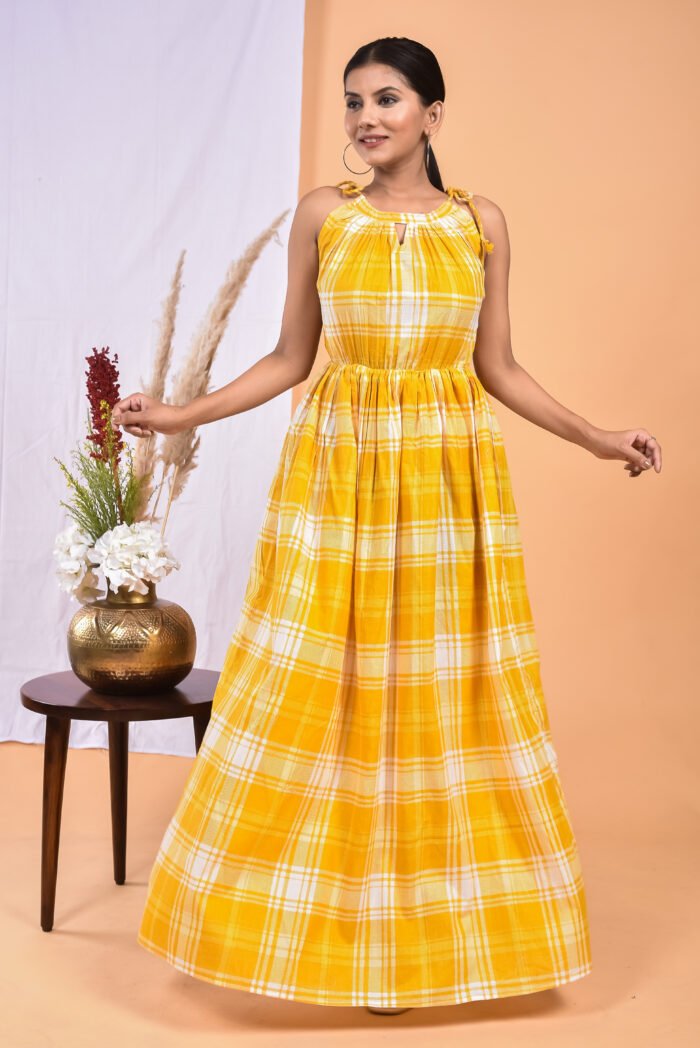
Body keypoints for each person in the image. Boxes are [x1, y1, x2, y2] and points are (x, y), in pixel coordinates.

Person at [112, 37, 662, 1015]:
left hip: (450, 492)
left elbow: (498, 367)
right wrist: (180, 413)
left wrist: (595, 436)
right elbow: (290, 357)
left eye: (389, 99)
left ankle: (415, 950)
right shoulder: (326, 216)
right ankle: (318, 940)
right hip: (336, 484)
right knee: (320, 694)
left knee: (438, 706)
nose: (367, 117)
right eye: (354, 101)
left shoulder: (478, 224)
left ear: (432, 116)